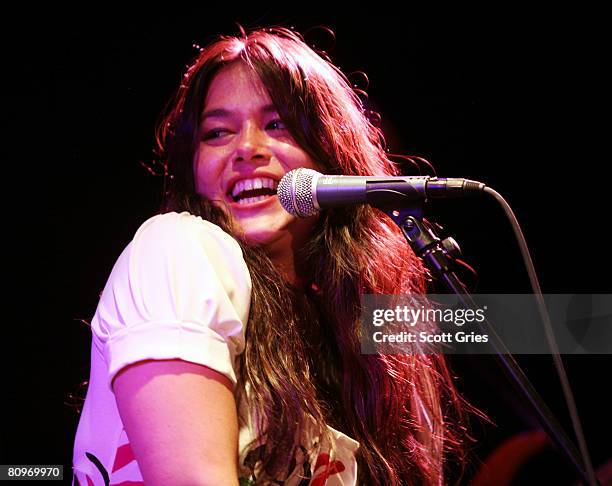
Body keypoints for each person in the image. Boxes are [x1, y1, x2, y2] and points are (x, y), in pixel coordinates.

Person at [72, 26, 472, 485]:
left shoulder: (362, 314)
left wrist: (566, 331)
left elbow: (552, 330)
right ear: (193, 168)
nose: (247, 149)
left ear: (329, 153)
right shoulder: (179, 251)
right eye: (217, 132)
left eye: (277, 124)